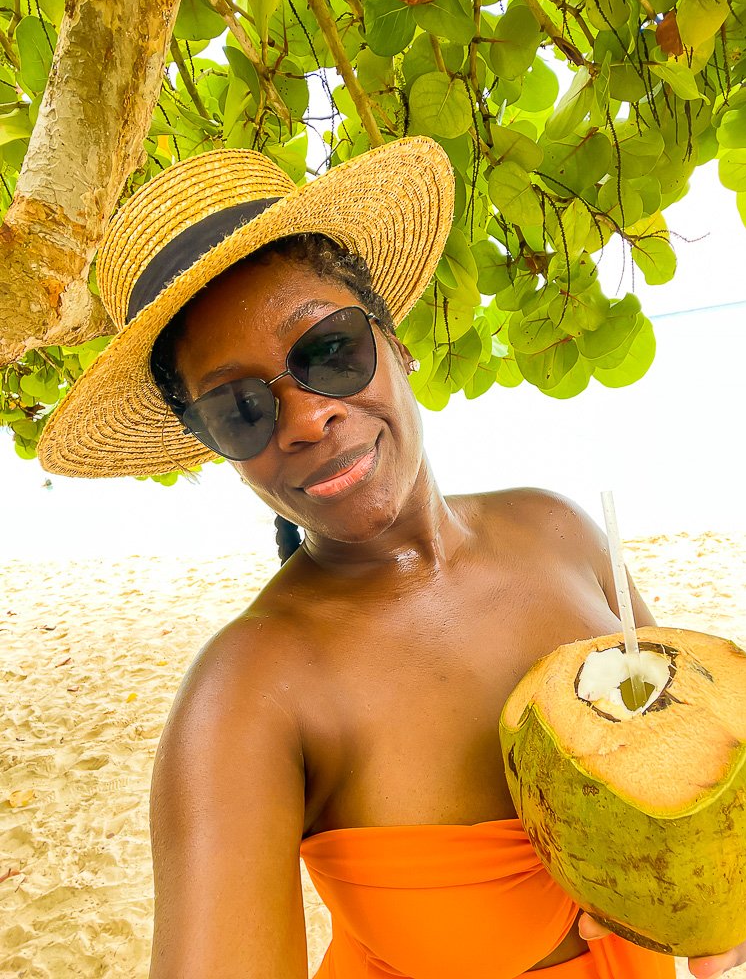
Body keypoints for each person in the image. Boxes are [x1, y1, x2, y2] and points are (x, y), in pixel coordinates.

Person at [37, 138, 711, 979]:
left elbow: (696, 762)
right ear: (218, 448)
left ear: (396, 342)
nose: (305, 419)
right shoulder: (247, 698)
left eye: (326, 352)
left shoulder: (561, 532)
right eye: (242, 408)